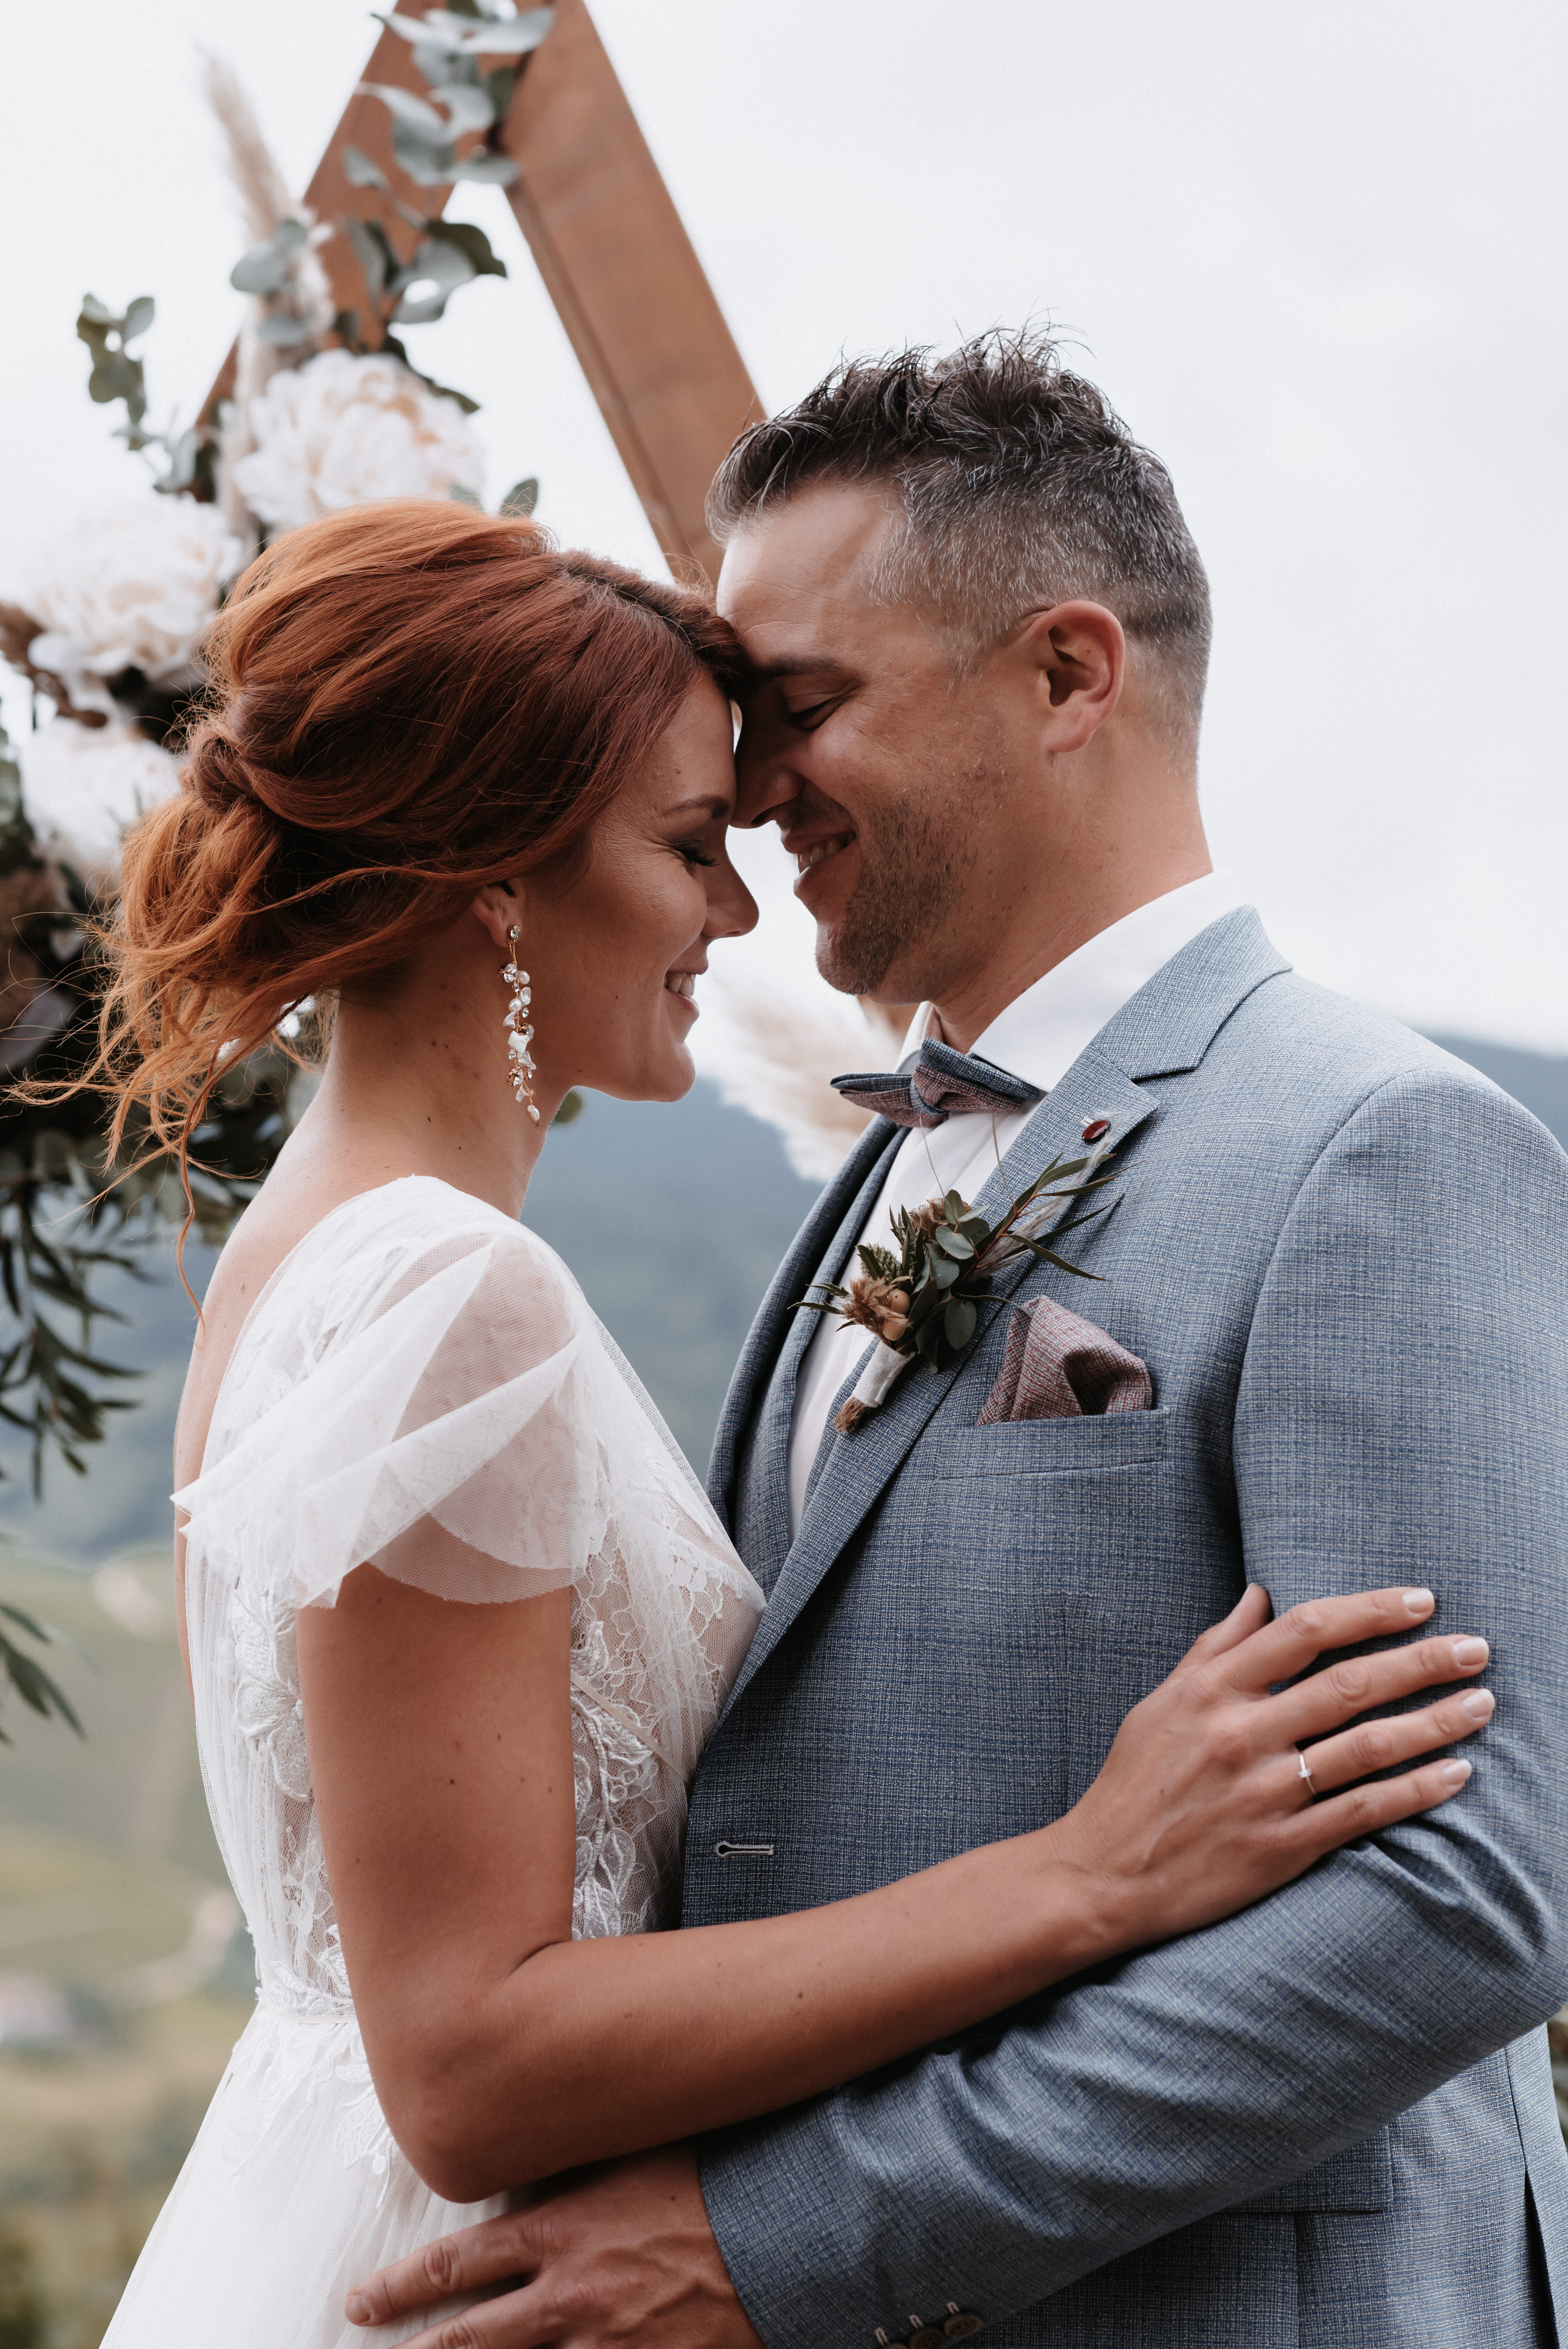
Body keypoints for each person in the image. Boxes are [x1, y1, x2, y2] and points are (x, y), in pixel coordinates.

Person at [80, 499, 1486, 2349]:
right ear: (496, 871)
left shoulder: (298, 1254)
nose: (737, 910)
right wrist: (1086, 1872)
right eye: (686, 846)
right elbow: (467, 2057)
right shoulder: (443, 1289)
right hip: (504, 2264)